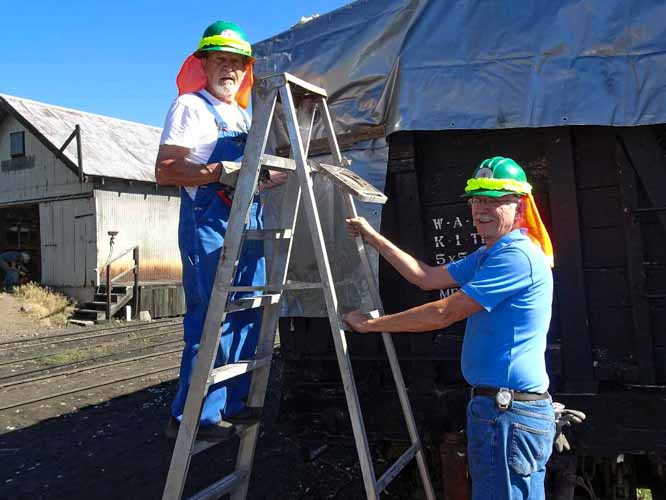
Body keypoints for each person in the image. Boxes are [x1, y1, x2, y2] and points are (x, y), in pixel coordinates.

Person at [344, 156, 556, 499]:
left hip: (509, 415)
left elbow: (444, 312)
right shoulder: (490, 252)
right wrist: (372, 237)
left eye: (493, 200)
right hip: (498, 411)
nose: (481, 209)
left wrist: (371, 326)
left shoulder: (515, 256)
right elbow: (426, 277)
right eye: (476, 199)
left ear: (518, 206)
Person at [155, 21, 285, 441]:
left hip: (248, 219)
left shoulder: (241, 114)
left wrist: (264, 175)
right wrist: (217, 171)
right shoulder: (190, 107)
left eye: (236, 63)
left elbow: (244, 173)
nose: (228, 69)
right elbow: (164, 170)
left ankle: (231, 403)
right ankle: (194, 415)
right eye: (220, 60)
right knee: (211, 315)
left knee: (247, 310)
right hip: (208, 224)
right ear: (205, 65)